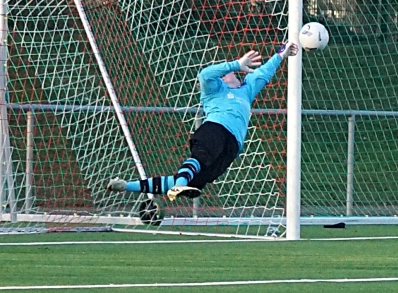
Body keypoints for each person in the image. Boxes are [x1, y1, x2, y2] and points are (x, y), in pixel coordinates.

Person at [106, 45, 295, 225]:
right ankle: (180, 184)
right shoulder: (214, 91)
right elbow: (205, 74)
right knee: (199, 158)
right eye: (226, 74)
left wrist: (282, 54)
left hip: (232, 147)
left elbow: (264, 72)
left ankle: (126, 186)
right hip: (215, 128)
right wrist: (235, 64)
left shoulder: (246, 90)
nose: (230, 74)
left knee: (196, 182)